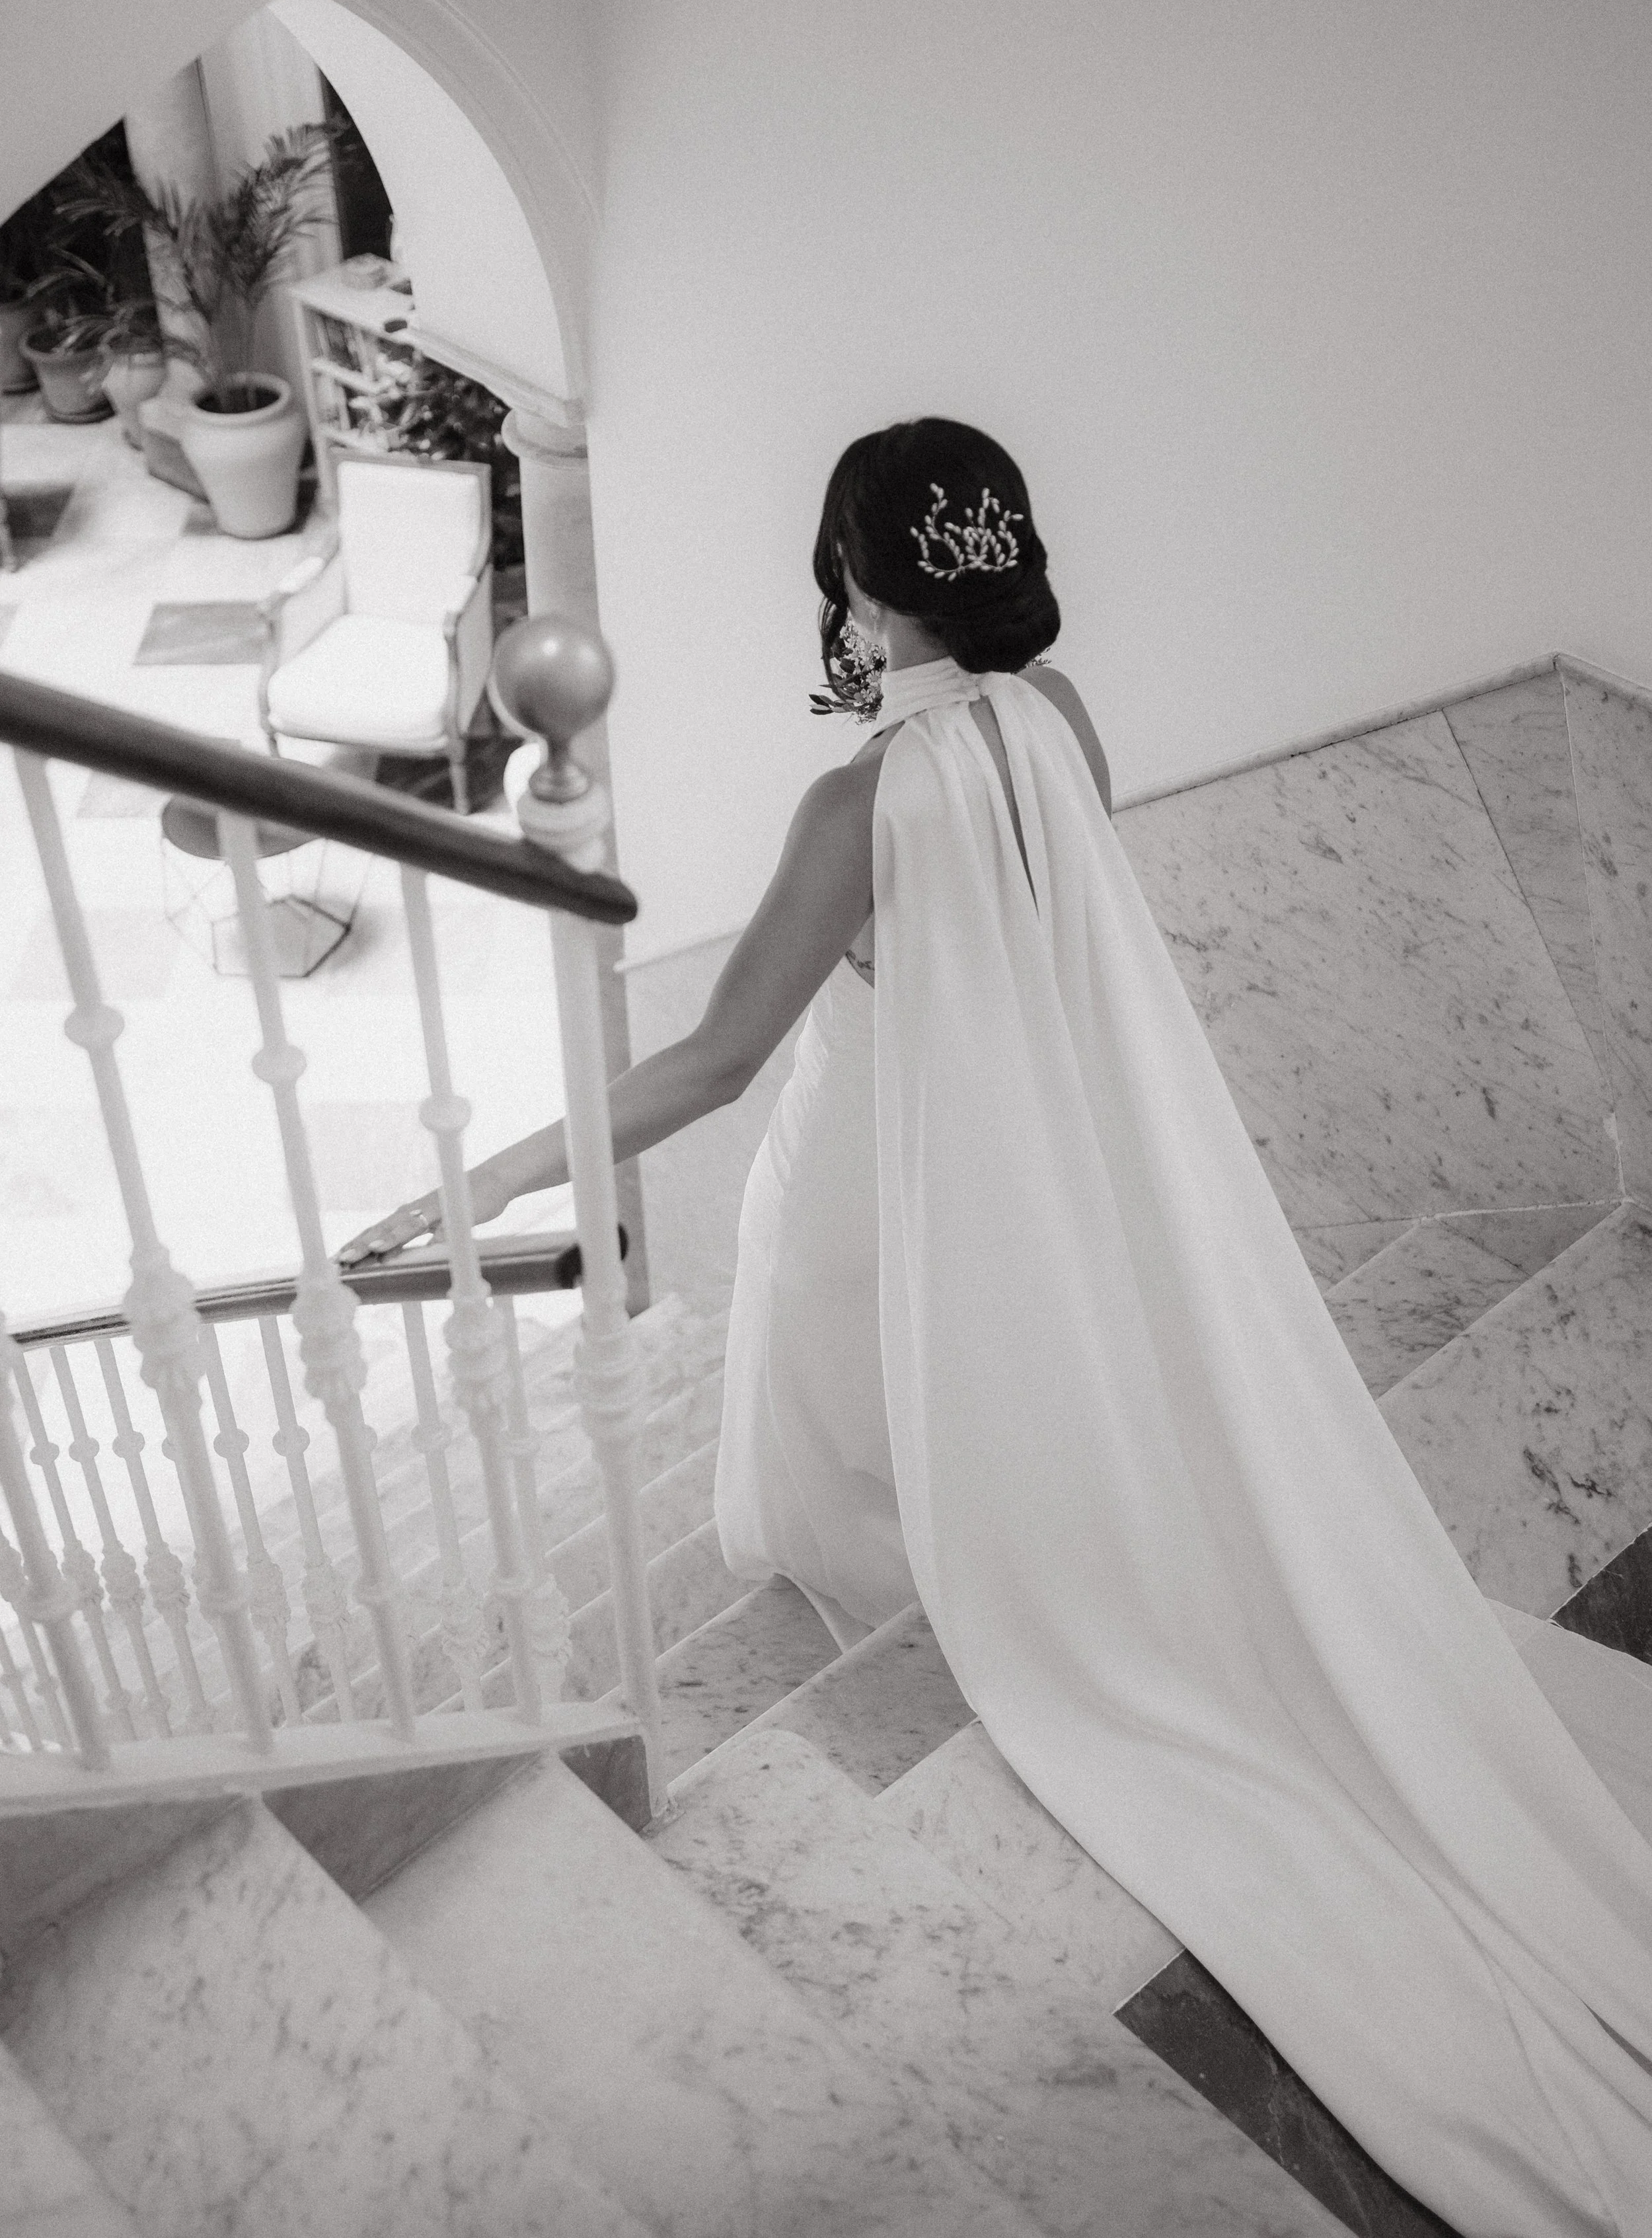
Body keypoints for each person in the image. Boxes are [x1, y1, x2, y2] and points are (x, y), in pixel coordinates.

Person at [342, 417, 1652, 2233]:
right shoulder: (1064, 722)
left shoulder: (858, 801)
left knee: (835, 1423)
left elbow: (716, 1059)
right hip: (1008, 1160)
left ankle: (932, 1586)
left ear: (858, 579)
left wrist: (492, 1176)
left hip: (884, 1185)